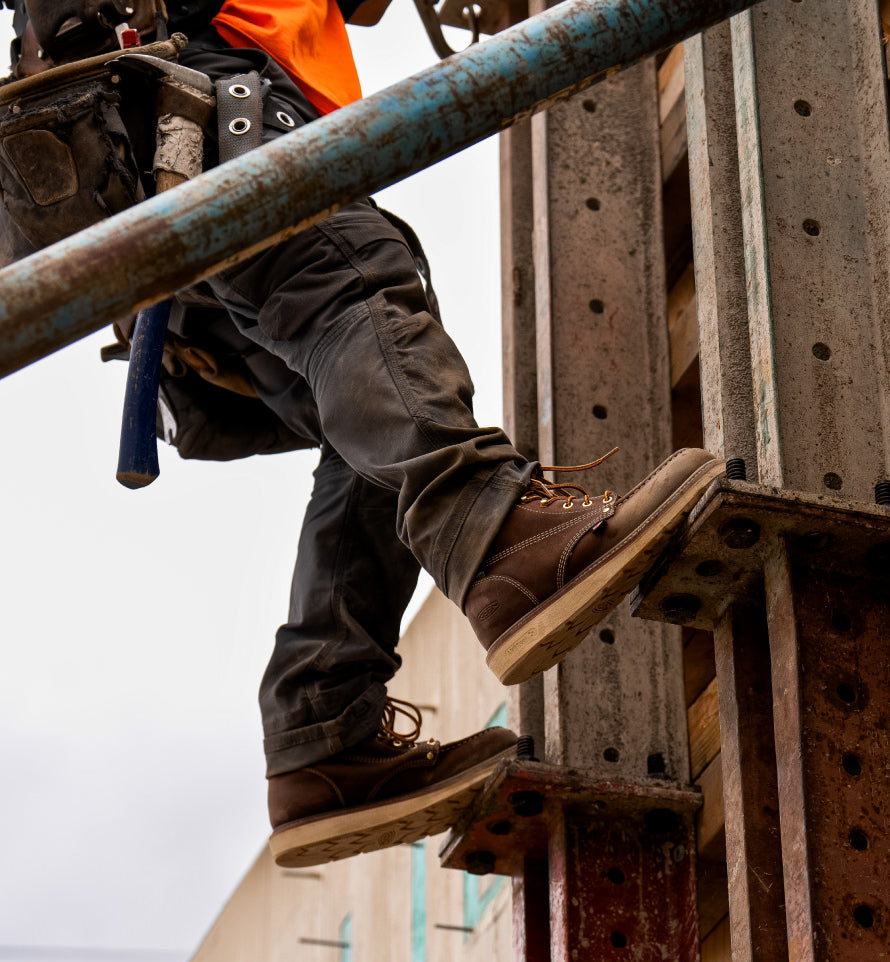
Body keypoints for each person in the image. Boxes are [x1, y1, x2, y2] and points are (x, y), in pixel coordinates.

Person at [3, 0, 721, 868]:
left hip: (137, 160)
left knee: (367, 413)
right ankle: (496, 535)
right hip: (198, 97)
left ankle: (325, 727)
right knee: (349, 288)